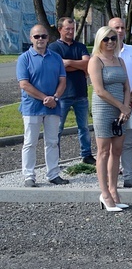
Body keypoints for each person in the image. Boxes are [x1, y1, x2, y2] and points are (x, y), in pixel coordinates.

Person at [16, 25, 69, 187]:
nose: (40, 39)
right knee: (30, 142)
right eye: (37, 36)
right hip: (32, 107)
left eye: (43, 36)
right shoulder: (24, 59)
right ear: (31, 38)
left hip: (53, 106)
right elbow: (24, 84)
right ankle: (29, 176)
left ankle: (53, 173)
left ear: (48, 38)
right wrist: (45, 98)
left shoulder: (56, 58)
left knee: (52, 141)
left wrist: (55, 97)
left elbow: (63, 81)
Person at [88, 26, 131, 212]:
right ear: (100, 41)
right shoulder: (95, 61)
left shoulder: (120, 61)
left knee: (117, 150)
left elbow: (126, 87)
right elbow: (99, 90)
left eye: (113, 38)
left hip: (121, 111)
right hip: (104, 109)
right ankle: (104, 192)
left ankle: (114, 190)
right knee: (103, 151)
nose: (111, 42)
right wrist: (121, 106)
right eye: (106, 39)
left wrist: (126, 107)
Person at [108, 17, 132, 189]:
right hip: (109, 105)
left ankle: (129, 176)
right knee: (110, 144)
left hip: (129, 103)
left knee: (129, 141)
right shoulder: (102, 53)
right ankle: (110, 179)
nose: (119, 31)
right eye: (116, 27)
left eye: (122, 27)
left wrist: (131, 98)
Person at [48, 17, 93, 165]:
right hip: (62, 95)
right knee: (58, 128)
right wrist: (79, 66)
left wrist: (68, 63)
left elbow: (88, 63)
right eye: (67, 28)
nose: (71, 31)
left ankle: (86, 155)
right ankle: (55, 157)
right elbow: (57, 67)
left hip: (81, 93)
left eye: (73, 28)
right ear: (60, 29)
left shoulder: (80, 46)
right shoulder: (54, 48)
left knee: (84, 128)